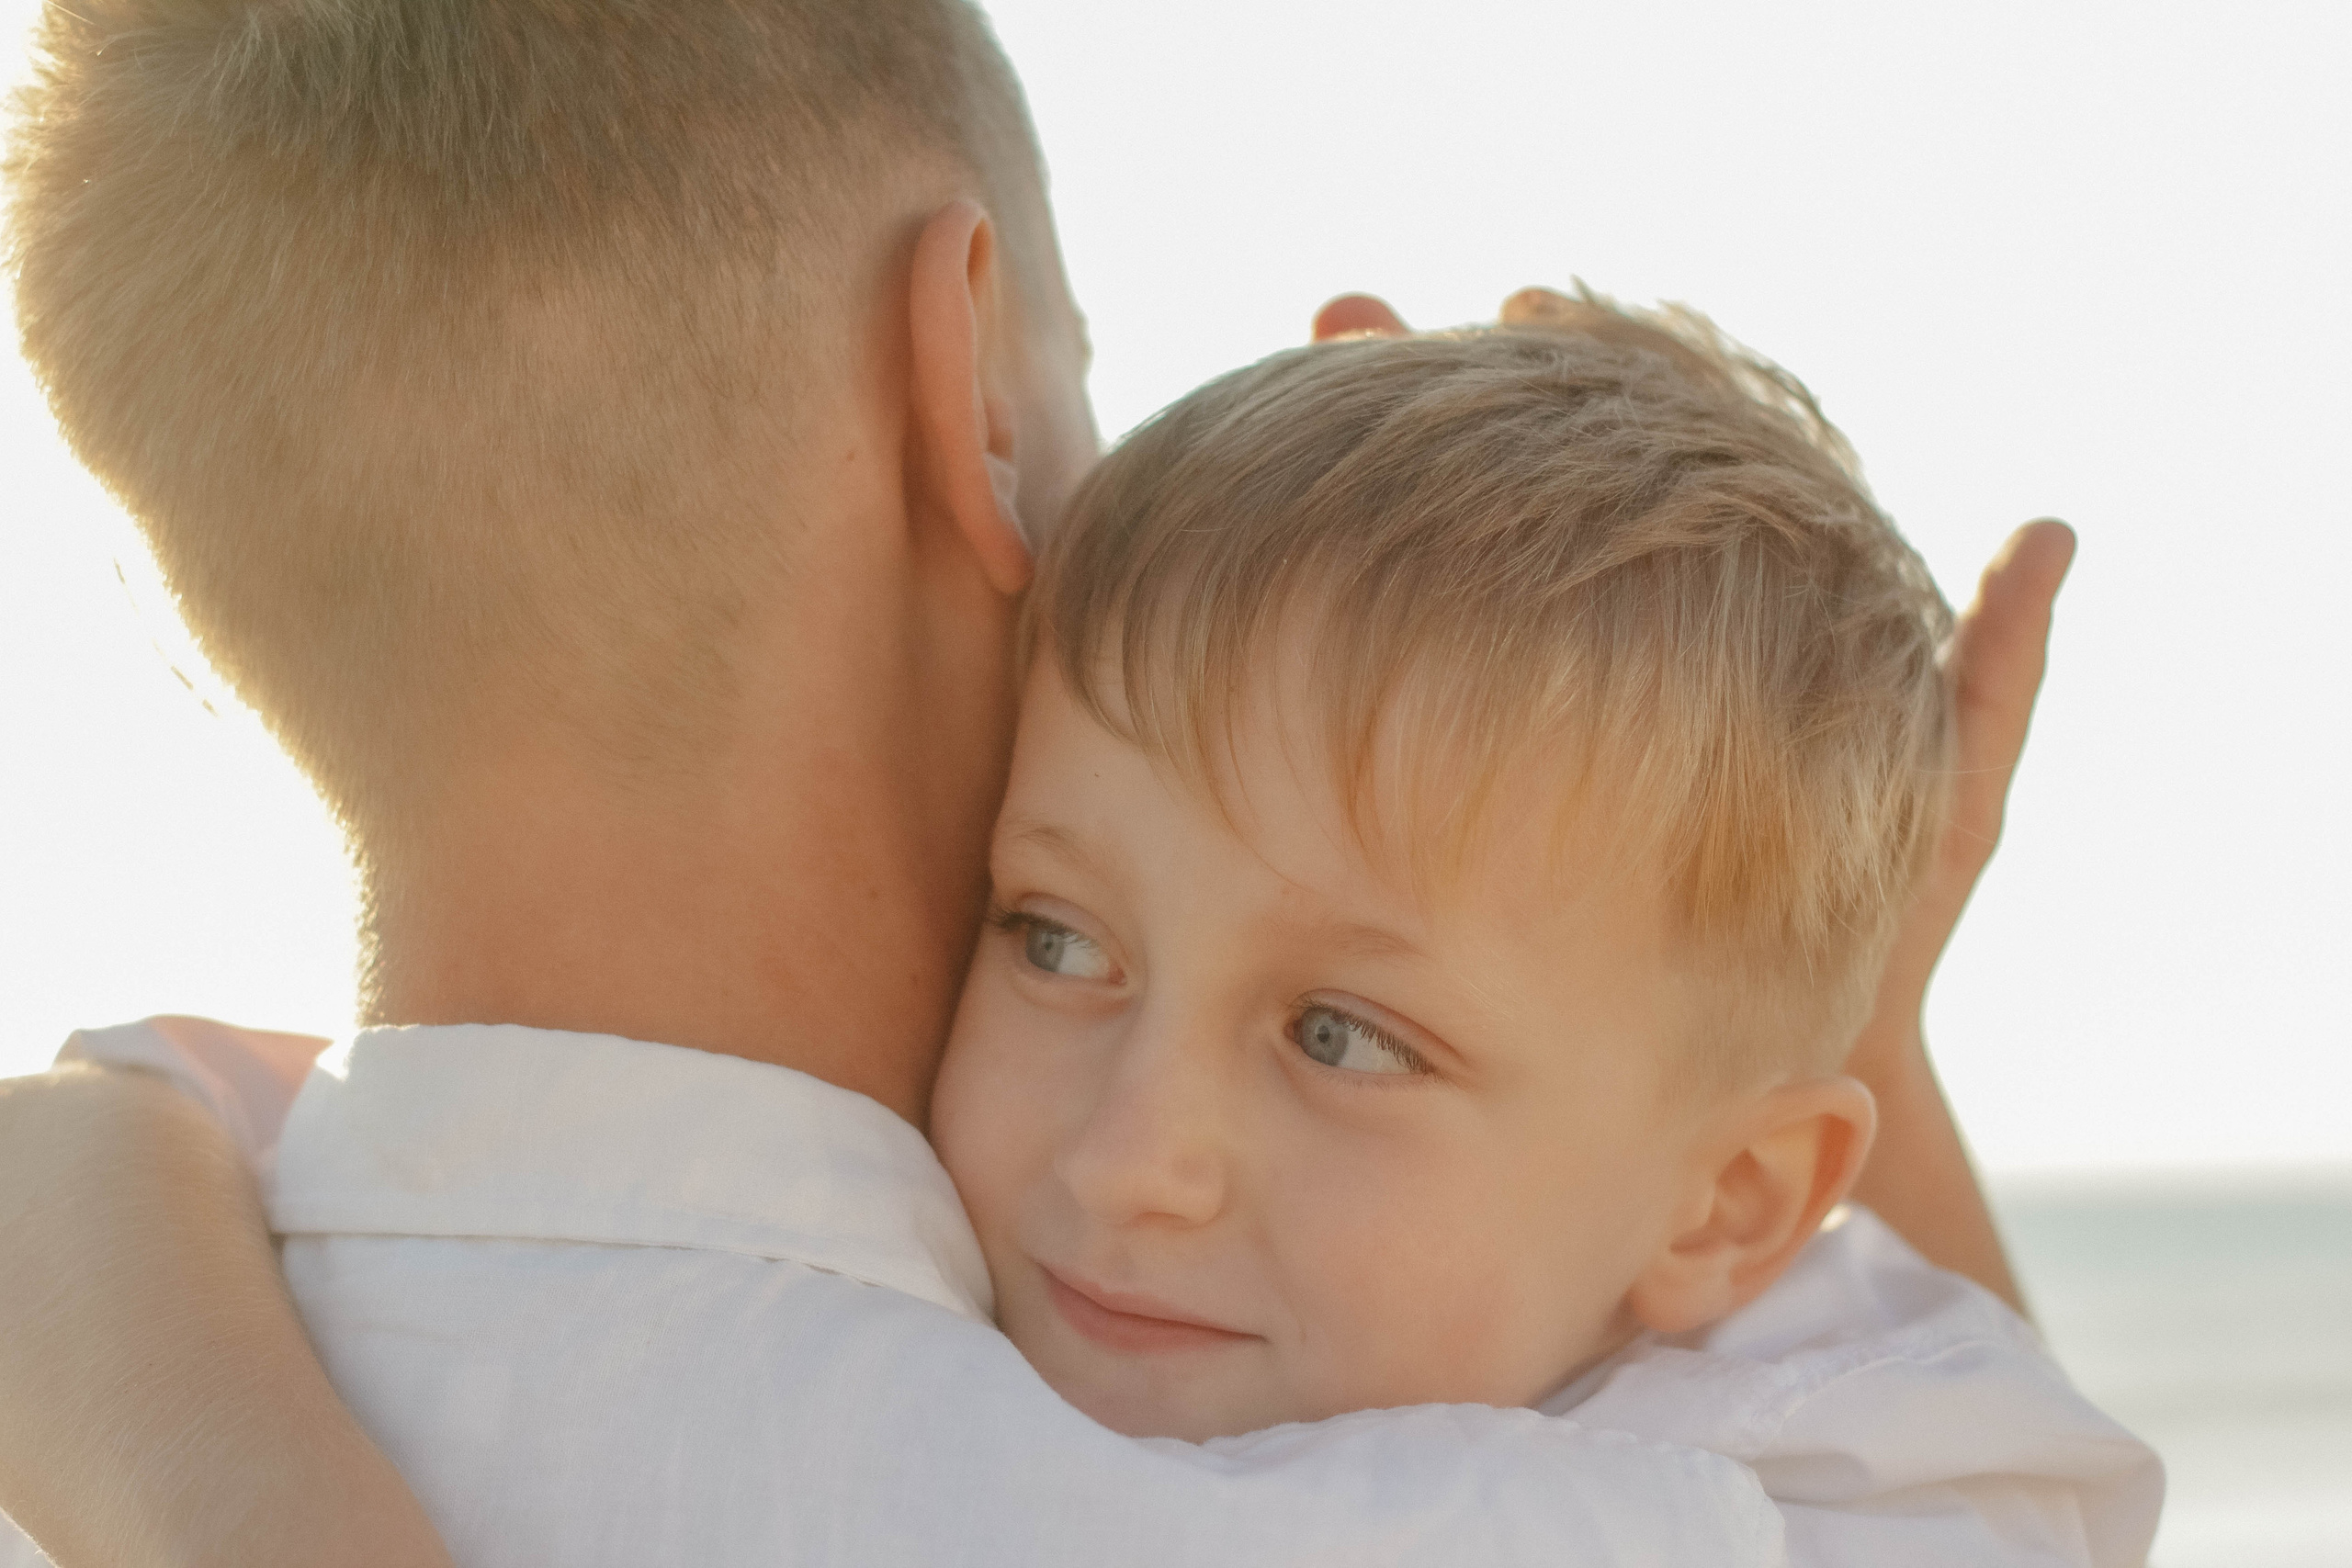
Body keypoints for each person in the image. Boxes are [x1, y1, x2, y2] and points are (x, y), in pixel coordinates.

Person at [0, 0, 2077, 1563]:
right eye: (1060, 933)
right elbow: (2012, 1495)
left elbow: (112, 1120)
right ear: (973, 390)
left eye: (1337, 1029)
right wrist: (1845, 992)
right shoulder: (1403, 1507)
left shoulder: (236, 1263)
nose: (1147, 1147)